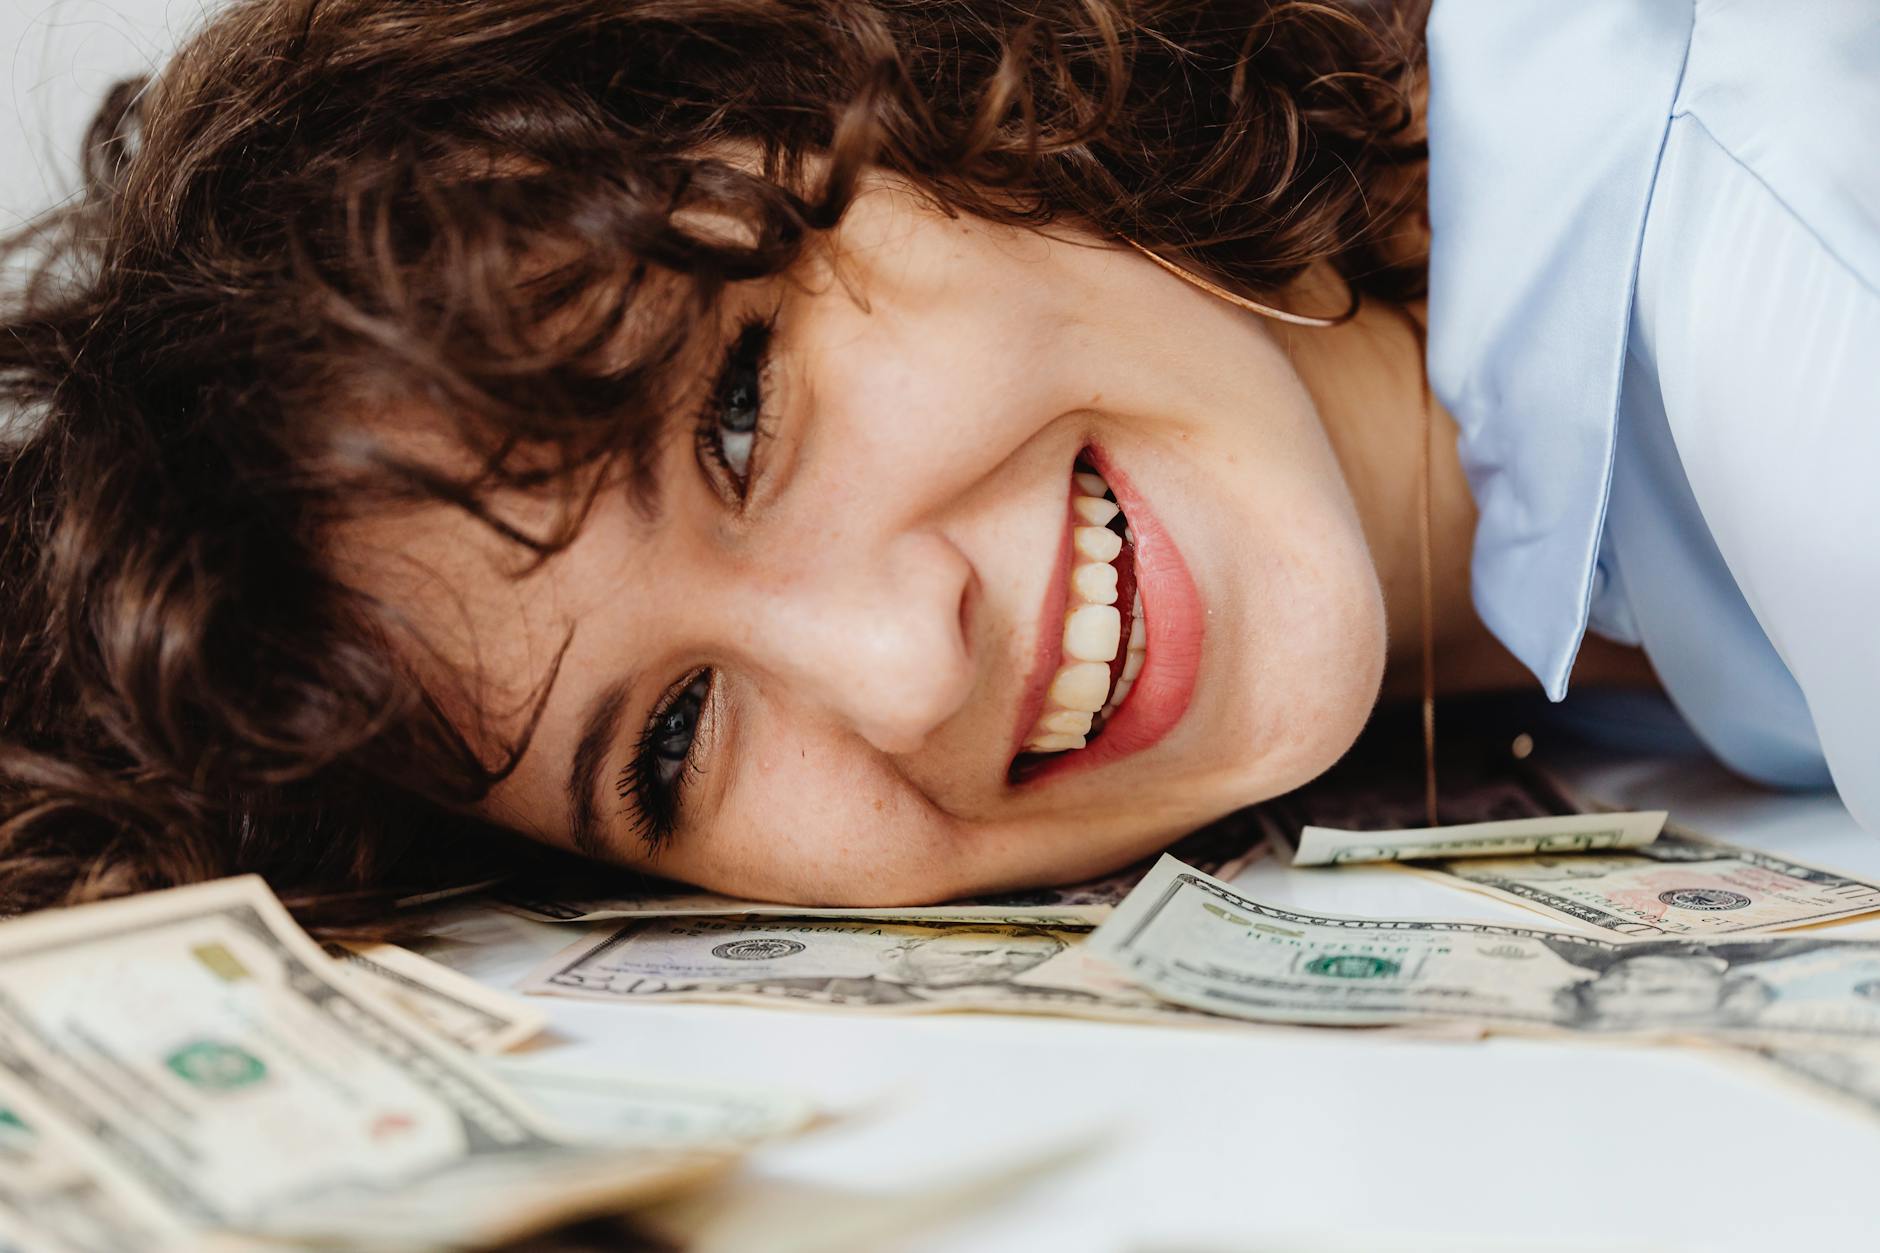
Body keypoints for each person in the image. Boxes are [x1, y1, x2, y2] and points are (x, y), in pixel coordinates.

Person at [0, 0, 1871, 927]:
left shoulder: (1791, 311)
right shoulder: (1558, 612)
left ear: (915, 82)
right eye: (669, 743)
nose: (898, 668)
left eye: (737, 411)